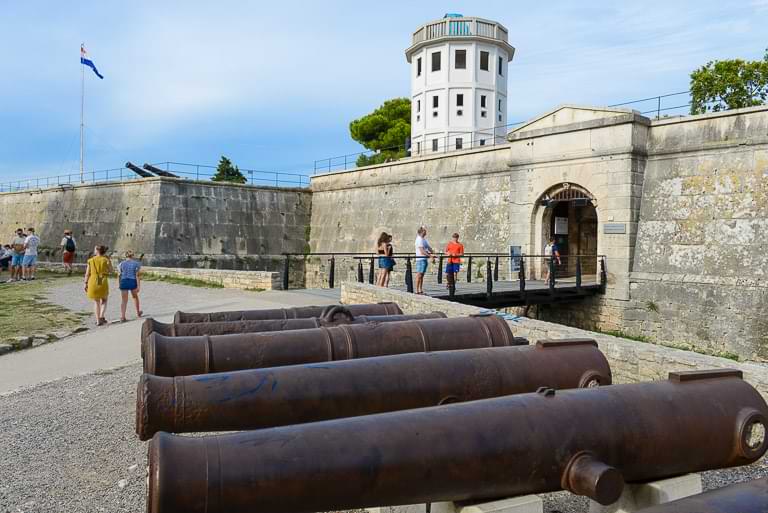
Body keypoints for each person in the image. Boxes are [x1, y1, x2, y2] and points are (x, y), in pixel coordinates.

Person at [84, 245, 113, 326]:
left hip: (93, 280)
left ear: (97, 251)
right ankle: (101, 316)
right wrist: (109, 261)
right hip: (102, 280)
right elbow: (111, 270)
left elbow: (87, 274)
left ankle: (97, 321)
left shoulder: (90, 260)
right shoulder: (106, 260)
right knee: (104, 300)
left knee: (96, 301)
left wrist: (85, 283)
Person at [118, 250, 143, 322]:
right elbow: (137, 275)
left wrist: (119, 284)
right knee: (135, 297)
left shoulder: (121, 264)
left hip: (124, 281)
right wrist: (138, 286)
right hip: (132, 281)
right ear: (132, 256)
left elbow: (119, 275)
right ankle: (138, 312)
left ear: (125, 256)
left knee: (124, 300)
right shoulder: (136, 264)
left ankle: (123, 316)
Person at [414, 227, 434, 295]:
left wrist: (433, 253)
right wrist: (430, 255)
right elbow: (422, 251)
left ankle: (420, 289)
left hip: (424, 259)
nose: (426, 232)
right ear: (422, 232)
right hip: (420, 259)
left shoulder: (423, 239)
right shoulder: (419, 239)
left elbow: (429, 247)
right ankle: (416, 290)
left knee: (422, 275)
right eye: (425, 231)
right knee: (419, 275)